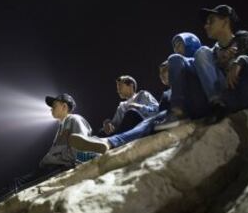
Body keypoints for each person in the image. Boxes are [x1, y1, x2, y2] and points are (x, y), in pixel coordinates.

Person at [69, 32, 211, 153]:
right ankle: (108, 142)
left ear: (190, 44)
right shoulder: (168, 93)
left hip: (195, 104)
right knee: (148, 122)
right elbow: (158, 110)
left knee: (135, 116)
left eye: (180, 45)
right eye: (174, 46)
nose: (176, 49)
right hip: (173, 114)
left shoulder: (199, 62)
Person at [193, 4, 248, 123]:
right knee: (201, 52)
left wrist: (241, 60)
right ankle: (217, 106)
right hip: (228, 97)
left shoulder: (245, 38)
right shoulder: (211, 54)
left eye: (211, 21)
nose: (206, 26)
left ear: (225, 22)